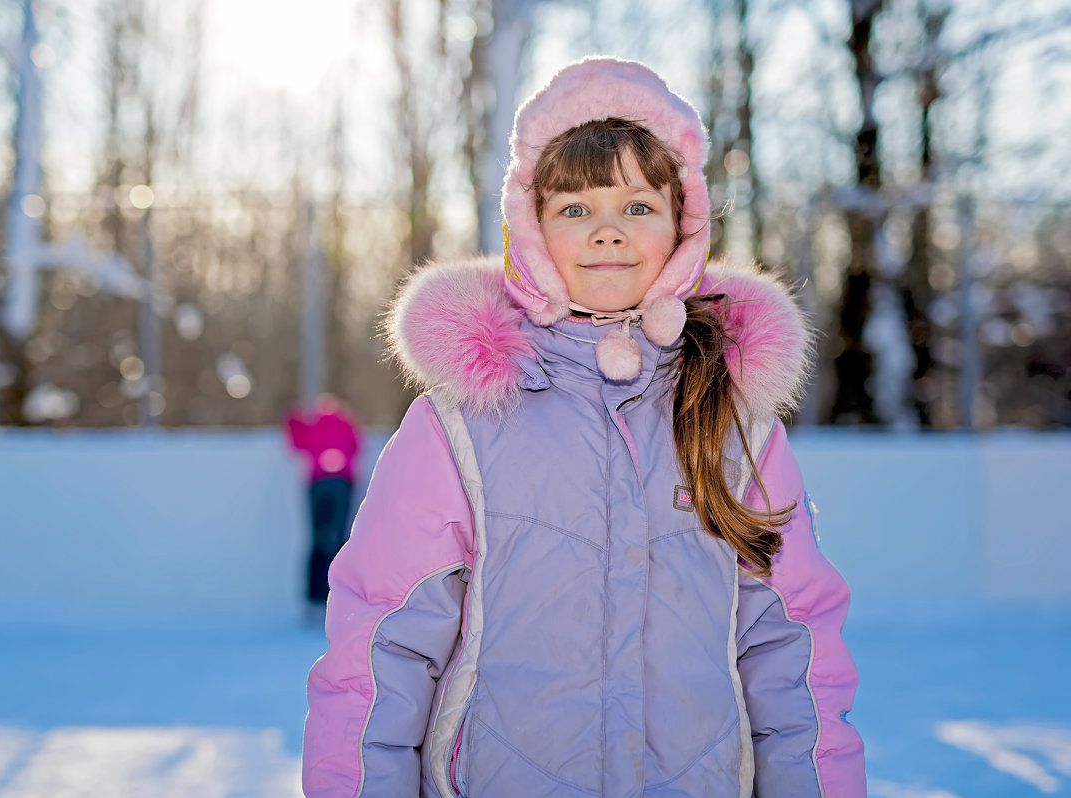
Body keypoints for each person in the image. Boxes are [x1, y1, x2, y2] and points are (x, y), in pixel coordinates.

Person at [303, 57, 865, 797]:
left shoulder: (735, 422)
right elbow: (380, 649)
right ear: (529, 231)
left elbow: (794, 650)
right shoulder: (462, 423)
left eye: (637, 207)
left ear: (684, 225)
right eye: (574, 209)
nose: (607, 232)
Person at [285, 394, 361, 618]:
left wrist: (293, 417)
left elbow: (297, 443)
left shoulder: (315, 424)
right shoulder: (347, 423)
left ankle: (313, 599)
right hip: (341, 484)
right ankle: (335, 598)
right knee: (339, 539)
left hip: (318, 484)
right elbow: (355, 447)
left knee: (318, 539)